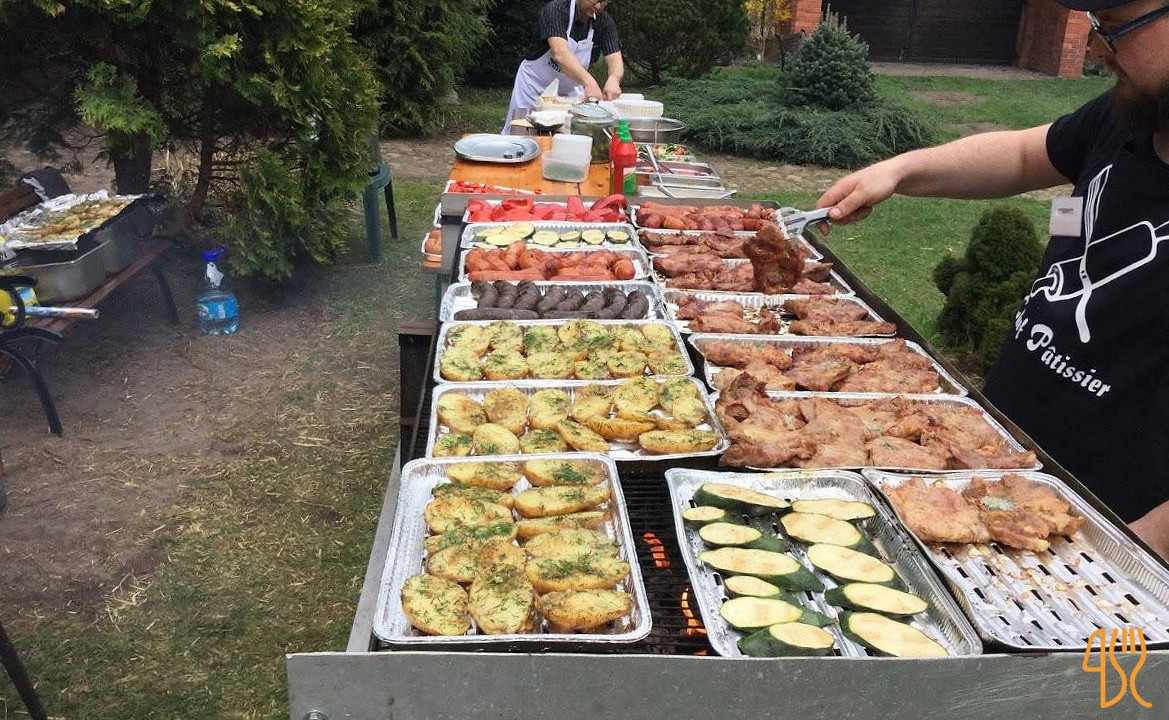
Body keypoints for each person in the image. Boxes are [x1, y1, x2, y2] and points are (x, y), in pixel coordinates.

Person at [814, 0, 1169, 559]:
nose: (1097, 48)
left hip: (1095, 541)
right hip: (988, 466)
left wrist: (1132, 556)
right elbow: (1026, 155)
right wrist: (900, 170)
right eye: (1097, 26)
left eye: (1117, 26)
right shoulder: (1130, 114)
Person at [503, 0, 624, 130]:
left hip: (569, 97)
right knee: (522, 132)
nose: (599, 6)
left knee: (566, 134)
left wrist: (614, 78)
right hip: (533, 87)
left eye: (604, 2)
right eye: (596, 0)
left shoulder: (604, 22)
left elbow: (615, 58)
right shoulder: (556, 10)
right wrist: (590, 83)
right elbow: (560, 54)